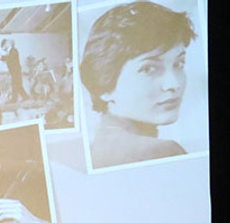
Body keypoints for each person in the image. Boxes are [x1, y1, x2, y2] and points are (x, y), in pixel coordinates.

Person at [79, 1, 195, 169]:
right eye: (149, 68)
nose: (173, 84)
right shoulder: (161, 151)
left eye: (179, 64)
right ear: (104, 85)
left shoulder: (95, 150)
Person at [1, 39, 27, 104]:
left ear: (9, 44)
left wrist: (1, 57)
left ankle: (14, 100)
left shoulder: (13, 50)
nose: (5, 45)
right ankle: (25, 96)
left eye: (6, 44)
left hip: (16, 71)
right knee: (18, 85)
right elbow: (8, 58)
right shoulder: (10, 51)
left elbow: (10, 59)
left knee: (15, 84)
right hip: (15, 71)